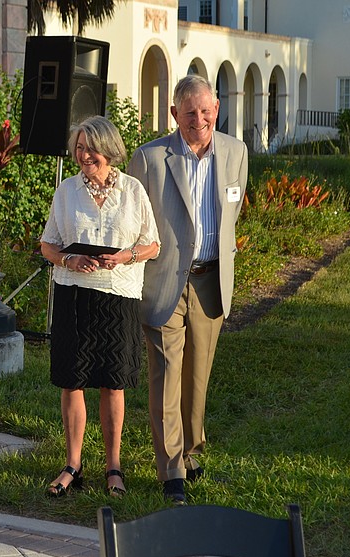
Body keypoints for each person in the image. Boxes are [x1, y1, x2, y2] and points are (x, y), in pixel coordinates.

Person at [128, 74, 248, 504]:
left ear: (216, 109)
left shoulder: (236, 152)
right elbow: (135, 220)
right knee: (166, 374)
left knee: (197, 377)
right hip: (164, 281)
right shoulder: (149, 158)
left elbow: (233, 208)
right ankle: (171, 469)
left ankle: (193, 451)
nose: (198, 118)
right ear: (174, 114)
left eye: (206, 110)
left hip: (211, 279)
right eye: (189, 112)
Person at [40, 115, 160, 498]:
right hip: (74, 294)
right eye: (78, 147)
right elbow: (48, 245)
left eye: (90, 147)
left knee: (113, 382)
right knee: (72, 380)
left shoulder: (133, 191)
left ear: (108, 149)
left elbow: (152, 245)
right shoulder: (67, 191)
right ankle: (72, 464)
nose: (83, 154)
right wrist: (68, 261)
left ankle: (114, 467)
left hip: (119, 295)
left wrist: (126, 256)